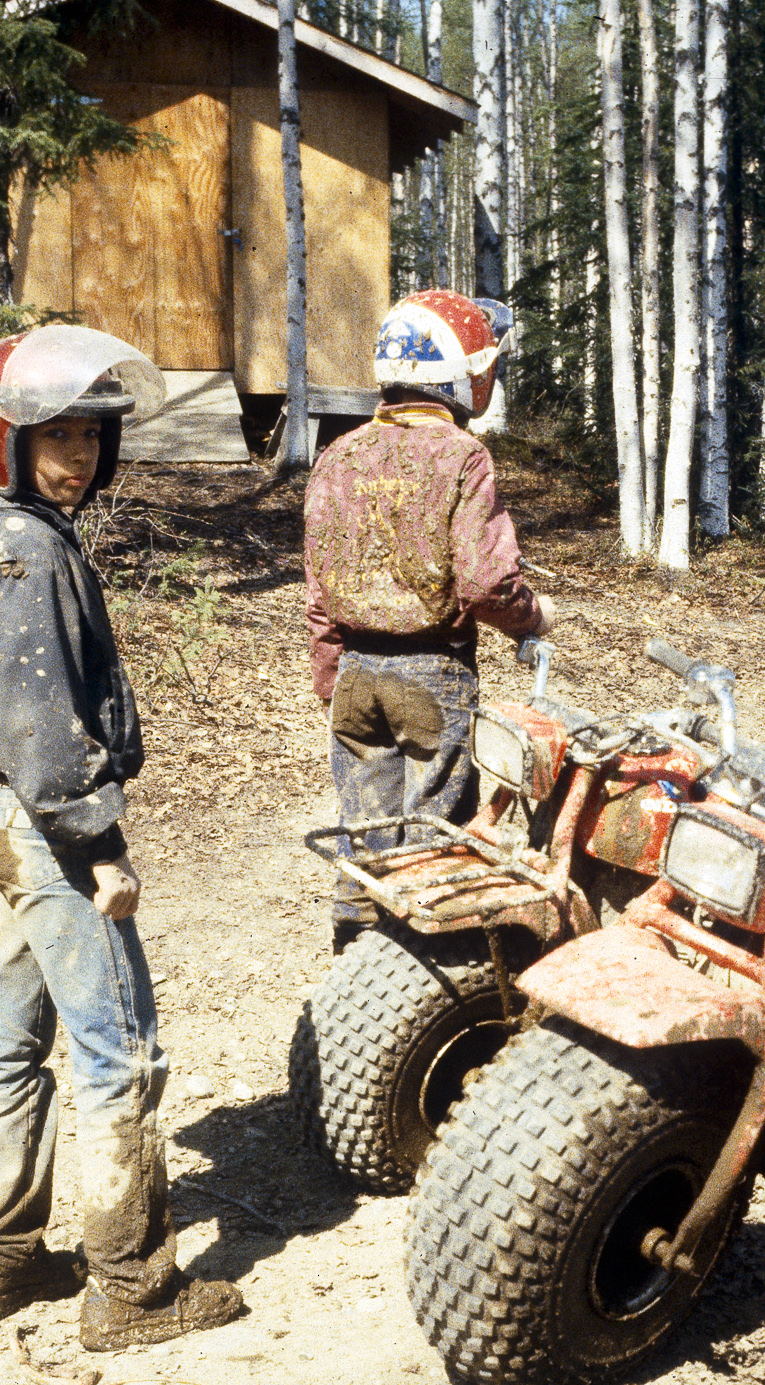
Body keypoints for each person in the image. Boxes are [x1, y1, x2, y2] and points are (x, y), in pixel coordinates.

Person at [0, 325, 242, 1351]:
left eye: (90, 438)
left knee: (5, 1043)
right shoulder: (25, 550)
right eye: (54, 436)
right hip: (40, 826)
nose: (77, 457)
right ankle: (132, 1290)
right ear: (2, 442)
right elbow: (39, 723)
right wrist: (99, 844)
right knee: (120, 1049)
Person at [303, 291, 552, 951]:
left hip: (354, 669)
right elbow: (486, 580)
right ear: (460, 373)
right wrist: (533, 618)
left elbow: (319, 586)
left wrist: (332, 680)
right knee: (434, 833)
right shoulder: (461, 456)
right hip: (431, 672)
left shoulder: (340, 456)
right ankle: (421, 963)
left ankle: (356, 949)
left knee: (363, 829)